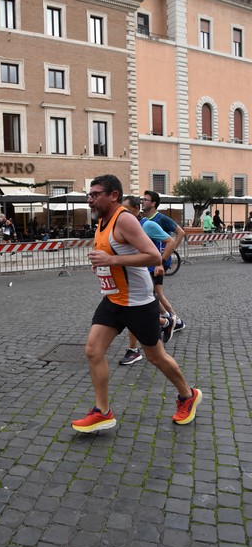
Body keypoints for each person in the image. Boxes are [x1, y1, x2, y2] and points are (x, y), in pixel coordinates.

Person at [71, 175, 202, 433]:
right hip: (113, 298)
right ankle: (102, 411)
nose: (90, 198)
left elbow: (153, 256)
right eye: (89, 193)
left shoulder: (125, 219)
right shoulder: (102, 222)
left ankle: (188, 395)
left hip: (138, 302)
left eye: (96, 194)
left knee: (156, 356)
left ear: (114, 195)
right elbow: (113, 254)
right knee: (93, 350)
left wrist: (111, 262)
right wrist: (102, 265)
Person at [118, 195, 181, 366]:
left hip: (149, 270)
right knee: (144, 305)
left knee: (135, 308)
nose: (122, 214)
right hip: (133, 274)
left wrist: (161, 262)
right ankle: (166, 321)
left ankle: (134, 349)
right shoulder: (123, 226)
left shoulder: (149, 225)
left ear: (136, 210)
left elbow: (170, 241)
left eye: (126, 211)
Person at [141, 190, 185, 333]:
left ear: (153, 203)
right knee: (155, 292)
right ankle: (172, 320)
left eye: (145, 199)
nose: (142, 201)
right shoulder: (144, 220)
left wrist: (169, 250)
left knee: (154, 292)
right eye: (142, 199)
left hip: (159, 262)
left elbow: (181, 233)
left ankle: (173, 320)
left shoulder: (161, 218)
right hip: (150, 262)